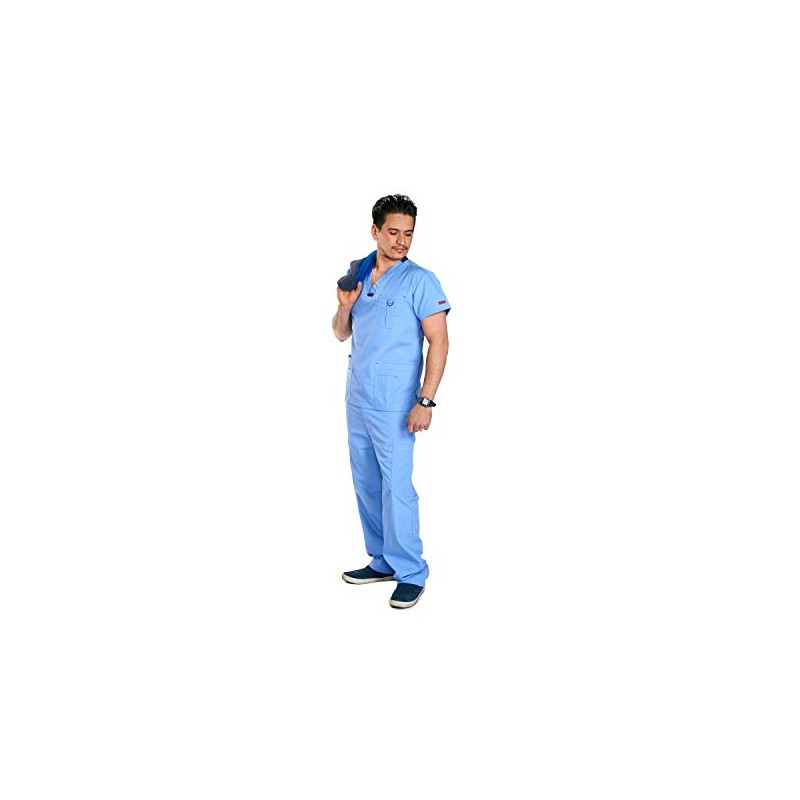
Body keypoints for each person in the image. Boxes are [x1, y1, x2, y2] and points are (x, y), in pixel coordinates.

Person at [332, 194, 450, 609]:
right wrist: (345, 309)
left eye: (408, 234)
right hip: (359, 398)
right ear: (375, 231)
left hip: (396, 403)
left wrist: (426, 401)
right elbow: (341, 332)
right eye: (394, 232)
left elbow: (439, 342)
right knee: (366, 483)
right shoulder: (359, 273)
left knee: (397, 488)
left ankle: (411, 571)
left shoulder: (421, 281)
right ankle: (382, 560)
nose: (402, 241)